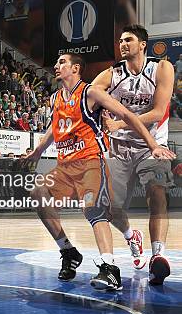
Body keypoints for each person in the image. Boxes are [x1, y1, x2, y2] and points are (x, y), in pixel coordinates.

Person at [26, 53, 174, 291]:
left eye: (62, 62)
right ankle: (69, 251)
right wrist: (37, 151)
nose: (55, 65)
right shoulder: (55, 98)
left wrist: (154, 145)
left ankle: (110, 268)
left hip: (91, 162)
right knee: (38, 194)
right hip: (65, 166)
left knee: (94, 208)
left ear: (76, 68)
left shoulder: (91, 92)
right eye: (55, 62)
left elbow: (127, 115)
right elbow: (54, 129)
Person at [92, 24, 176, 285]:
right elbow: (88, 96)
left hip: (153, 145)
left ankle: (158, 256)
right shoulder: (111, 74)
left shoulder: (162, 68)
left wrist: (118, 123)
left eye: (128, 40)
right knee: (110, 208)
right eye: (120, 41)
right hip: (118, 148)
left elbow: (159, 110)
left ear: (142, 44)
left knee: (157, 191)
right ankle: (131, 236)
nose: (122, 44)